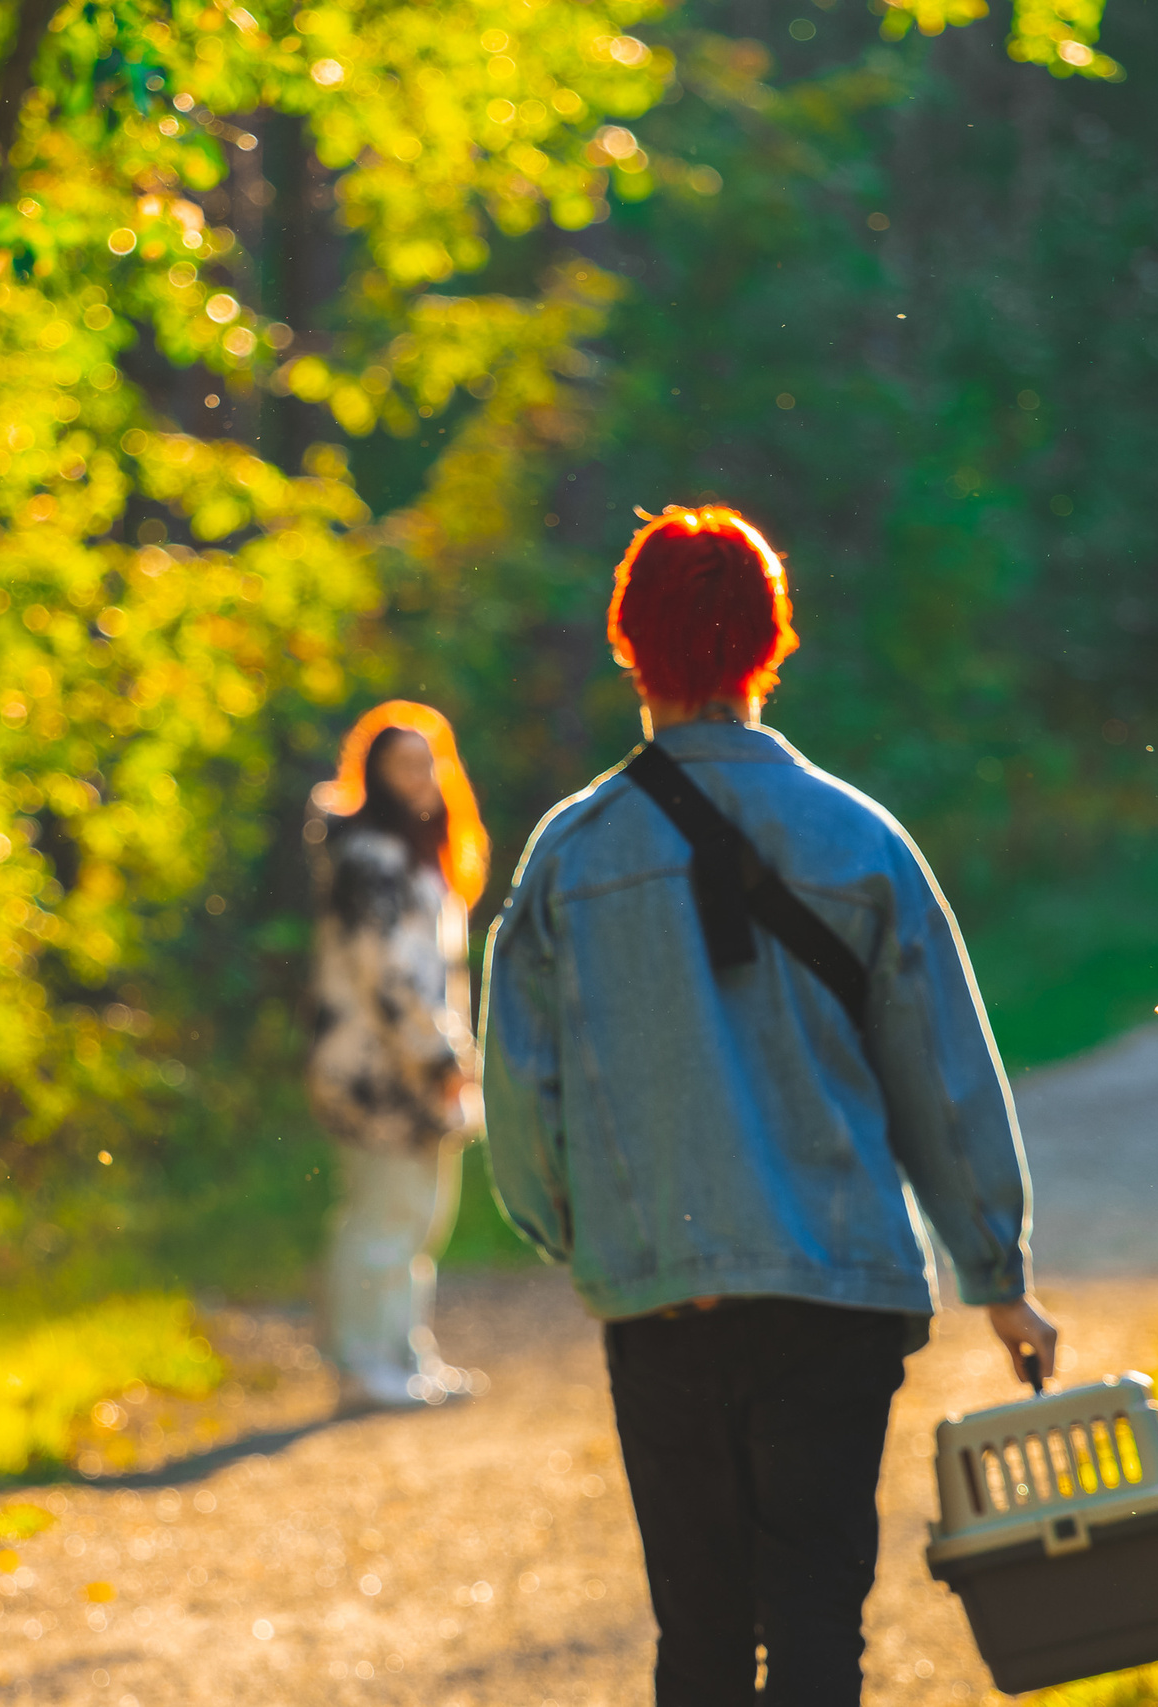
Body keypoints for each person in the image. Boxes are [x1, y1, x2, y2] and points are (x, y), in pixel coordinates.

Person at [479, 506, 1058, 1705]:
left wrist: (592, 1243)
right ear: (768, 644)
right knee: (812, 1629)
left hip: (665, 1298)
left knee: (696, 1638)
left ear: (629, 646)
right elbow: (940, 1080)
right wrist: (994, 1279)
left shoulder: (569, 856)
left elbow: (522, 1100)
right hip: (832, 1294)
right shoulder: (861, 839)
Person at [305, 701, 492, 1408]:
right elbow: (386, 975)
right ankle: (361, 1363)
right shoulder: (367, 860)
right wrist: (440, 1055)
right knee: (382, 1213)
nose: (418, 778)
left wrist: (446, 1055)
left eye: (427, 763)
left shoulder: (420, 861)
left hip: (418, 1065)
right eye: (402, 765)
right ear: (374, 775)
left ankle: (404, 1352)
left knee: (418, 1216)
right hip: (374, 1072)